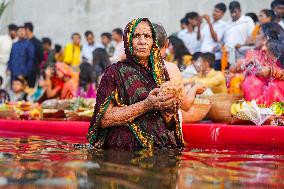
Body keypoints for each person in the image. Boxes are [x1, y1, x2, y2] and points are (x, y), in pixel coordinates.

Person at [88, 18, 184, 150]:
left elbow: (167, 122)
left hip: (159, 149)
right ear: (128, 40)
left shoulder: (160, 73)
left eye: (147, 36)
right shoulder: (115, 72)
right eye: (136, 36)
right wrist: (146, 104)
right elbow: (104, 119)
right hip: (123, 151)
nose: (142, 41)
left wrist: (169, 109)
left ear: (153, 42)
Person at [153, 23, 205, 112]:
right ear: (167, 43)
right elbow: (185, 104)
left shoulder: (186, 58)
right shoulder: (170, 67)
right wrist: (195, 88)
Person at [241, 22, 284, 106]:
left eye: (259, 33)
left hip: (278, 103)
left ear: (266, 38)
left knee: (275, 83)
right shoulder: (254, 55)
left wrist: (272, 71)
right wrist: (246, 66)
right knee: (251, 78)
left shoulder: (280, 54)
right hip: (259, 105)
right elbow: (240, 70)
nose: (255, 37)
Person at [200, 3, 227, 71]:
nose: (214, 13)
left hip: (214, 58)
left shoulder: (223, 25)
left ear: (222, 14)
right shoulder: (207, 25)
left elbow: (216, 39)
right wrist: (199, 24)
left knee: (212, 78)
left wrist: (209, 23)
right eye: (214, 11)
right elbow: (199, 38)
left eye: (217, 11)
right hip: (203, 55)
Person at [24, 22, 44, 88]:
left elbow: (41, 57)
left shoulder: (37, 43)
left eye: (24, 30)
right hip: (24, 71)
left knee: (31, 90)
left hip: (33, 71)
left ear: (27, 30)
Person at [0, 24, 18, 90]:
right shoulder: (2, 39)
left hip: (11, 67)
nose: (13, 33)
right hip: (1, 64)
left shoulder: (17, 41)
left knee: (6, 86)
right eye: (12, 31)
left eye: (15, 31)